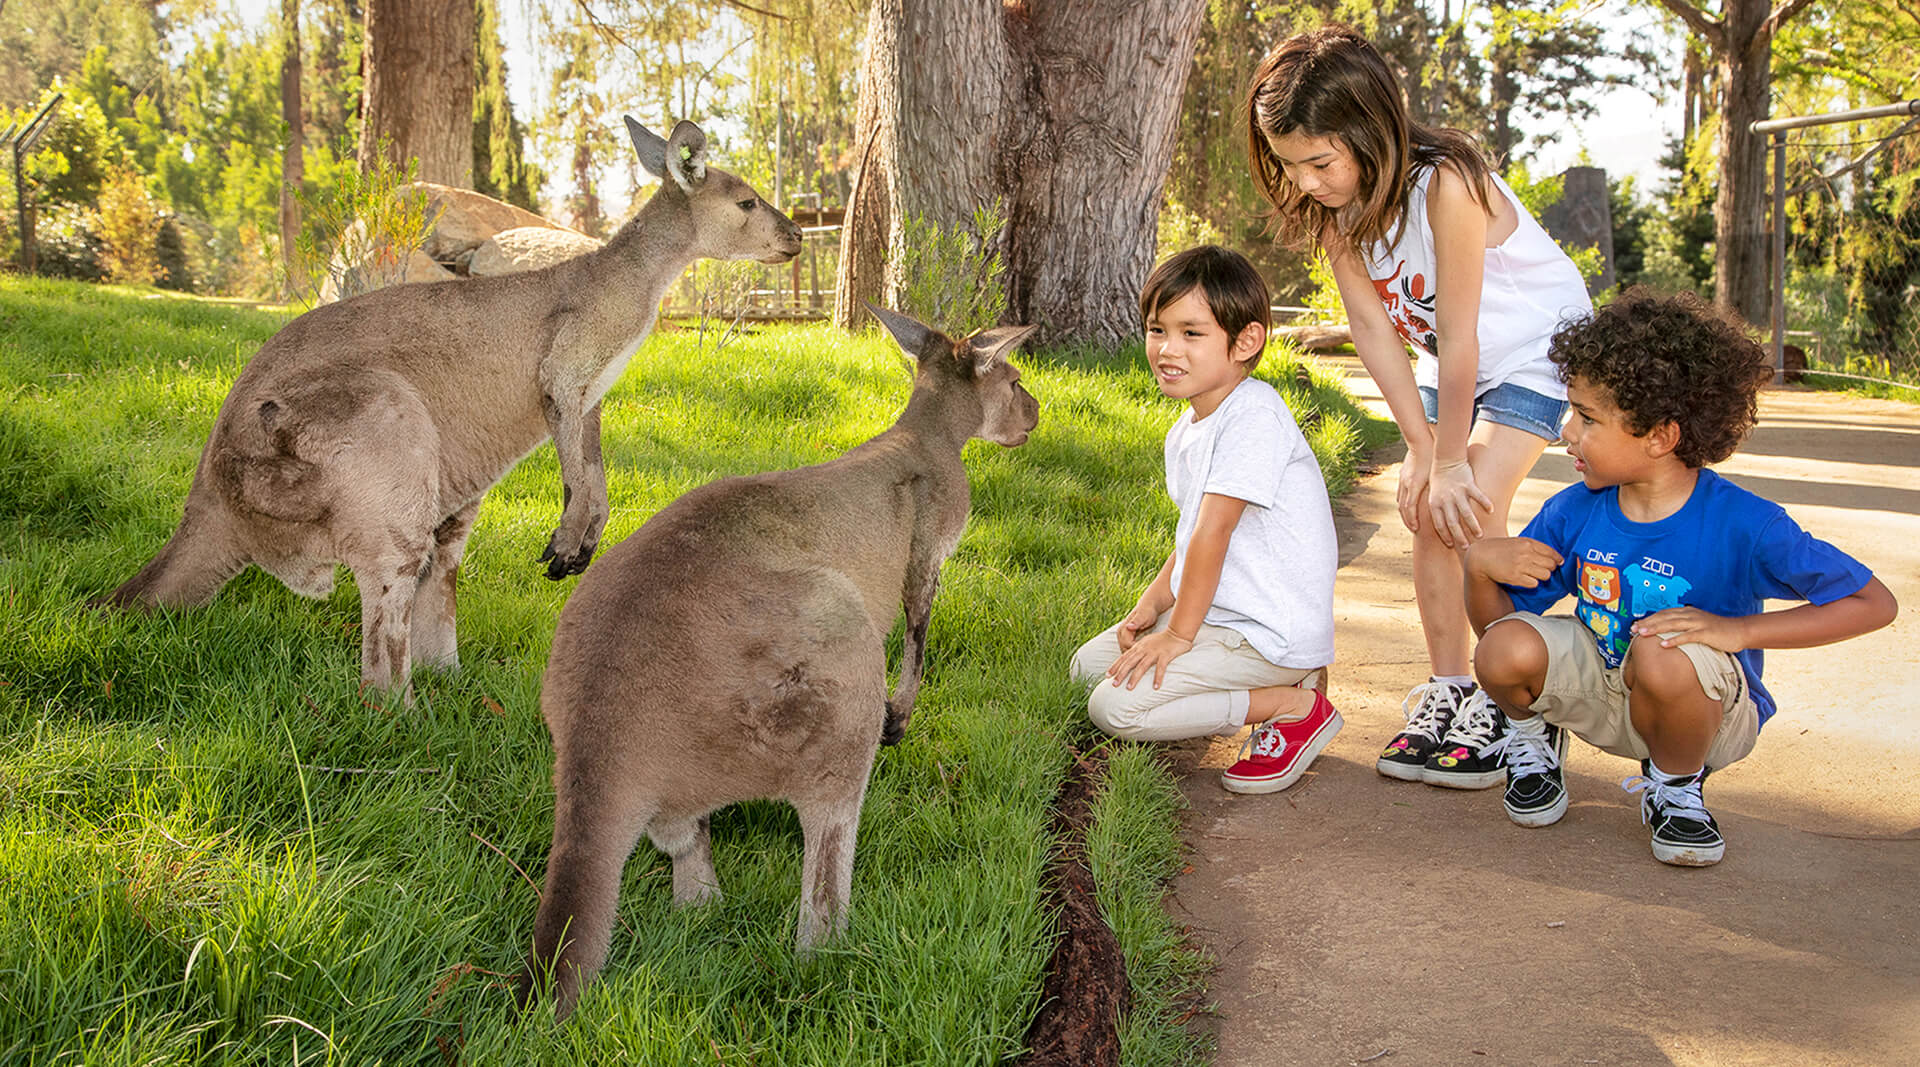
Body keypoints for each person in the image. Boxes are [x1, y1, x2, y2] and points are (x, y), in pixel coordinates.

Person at [1244, 24, 1592, 789]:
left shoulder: (1449, 183)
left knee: (1465, 506)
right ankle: (1453, 689)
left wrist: (1449, 457)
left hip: (1533, 350)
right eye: (1289, 164)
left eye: (1319, 162)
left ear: (1370, 132)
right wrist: (1419, 442)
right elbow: (1375, 331)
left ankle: (1516, 700)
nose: (1304, 181)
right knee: (1428, 515)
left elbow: (1462, 334)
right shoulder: (1337, 215)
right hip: (1456, 361)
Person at [1464, 290, 1898, 866]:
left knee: (1664, 652)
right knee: (1504, 649)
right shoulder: (1575, 511)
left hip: (1701, 713)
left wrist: (1737, 632)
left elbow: (1873, 603)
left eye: (1587, 418)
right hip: (1601, 691)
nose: (1566, 432)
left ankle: (1676, 789)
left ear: (1660, 437)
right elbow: (1501, 630)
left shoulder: (1747, 524)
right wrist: (1477, 568)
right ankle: (1531, 739)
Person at [1069, 245, 1341, 795]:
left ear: (1246, 341)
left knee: (1116, 709)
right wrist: (1151, 607)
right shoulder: (1187, 428)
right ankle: (1279, 683)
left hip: (1267, 633)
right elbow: (1193, 534)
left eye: (1192, 333)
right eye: (1157, 329)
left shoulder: (1254, 415)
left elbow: (1214, 535)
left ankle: (1293, 704)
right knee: (1085, 670)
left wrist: (1178, 636)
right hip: (1222, 620)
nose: (1168, 349)